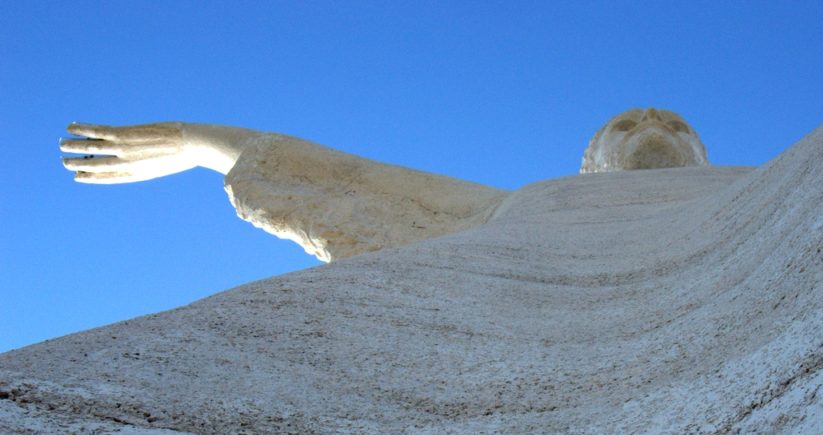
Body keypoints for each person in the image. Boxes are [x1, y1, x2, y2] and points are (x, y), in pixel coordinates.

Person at [61, 108, 708, 262]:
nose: (652, 125)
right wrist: (193, 141)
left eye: (674, 123)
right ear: (587, 167)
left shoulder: (764, 185)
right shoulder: (529, 206)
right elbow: (351, 183)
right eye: (625, 123)